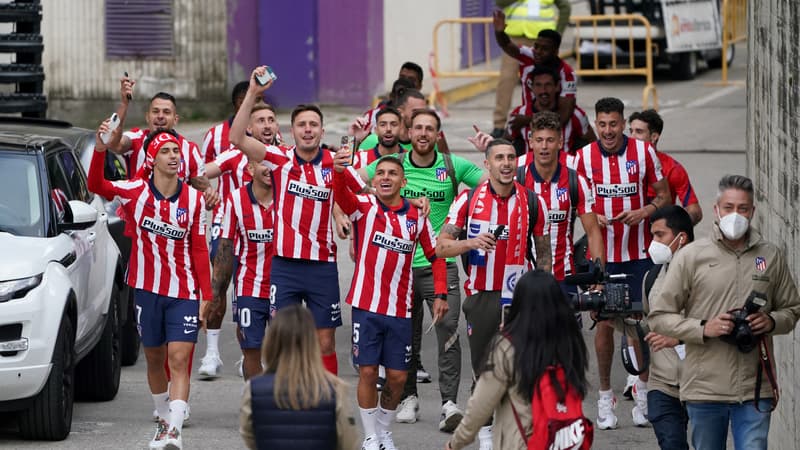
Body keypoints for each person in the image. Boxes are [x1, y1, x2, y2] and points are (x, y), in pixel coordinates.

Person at [230, 66, 366, 376]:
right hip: (286, 266)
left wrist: (412, 201)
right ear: (291, 131)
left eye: (313, 125)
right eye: (301, 125)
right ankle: (283, 402)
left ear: (322, 130)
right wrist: (253, 92)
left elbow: (370, 196)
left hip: (321, 267)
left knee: (325, 342)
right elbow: (236, 138)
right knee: (283, 341)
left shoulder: (336, 162)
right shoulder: (279, 158)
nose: (308, 130)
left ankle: (326, 403)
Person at [649, 175, 800, 450]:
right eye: (729, 207)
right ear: (716, 209)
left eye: (743, 208)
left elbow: (792, 309)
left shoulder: (770, 256)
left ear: (753, 211)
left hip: (755, 388)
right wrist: (703, 328)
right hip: (705, 389)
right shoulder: (691, 256)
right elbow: (660, 316)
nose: (736, 215)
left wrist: (770, 321)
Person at [88, 124, 212, 450]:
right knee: (155, 358)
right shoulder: (135, 191)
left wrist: (206, 296)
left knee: (179, 359)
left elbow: (199, 249)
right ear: (152, 159)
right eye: (166, 152)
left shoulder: (195, 200)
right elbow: (95, 184)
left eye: (176, 151)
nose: (173, 156)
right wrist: (101, 149)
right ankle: (162, 418)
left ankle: (175, 431)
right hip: (145, 289)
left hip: (183, 292)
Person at [361, 109, 485, 431]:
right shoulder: (392, 165)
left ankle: (448, 404)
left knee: (448, 332)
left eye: (430, 128)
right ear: (408, 131)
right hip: (398, 267)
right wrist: (346, 217)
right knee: (406, 336)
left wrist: (459, 223)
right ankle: (408, 398)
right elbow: (354, 186)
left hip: (438, 262)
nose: (423, 133)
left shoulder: (451, 165)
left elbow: (491, 184)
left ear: (437, 134)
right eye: (418, 128)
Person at [436, 138, 551, 448]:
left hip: (521, 298)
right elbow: (441, 246)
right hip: (483, 295)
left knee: (523, 369)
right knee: (485, 370)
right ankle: (487, 437)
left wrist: (544, 291)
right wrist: (471, 243)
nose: (506, 163)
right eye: (499, 157)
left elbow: (542, 251)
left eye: (511, 157)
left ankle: (520, 433)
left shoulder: (531, 200)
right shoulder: (468, 200)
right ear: (486, 164)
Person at [333, 154, 448, 450]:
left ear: (403, 181)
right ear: (373, 180)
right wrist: (337, 168)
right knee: (369, 372)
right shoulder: (364, 208)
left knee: (397, 378)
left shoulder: (417, 215)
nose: (385, 177)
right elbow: (340, 192)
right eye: (380, 172)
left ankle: (384, 431)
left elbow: (435, 256)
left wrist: (440, 294)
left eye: (392, 173)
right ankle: (371, 436)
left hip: (400, 309)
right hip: (366, 306)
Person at [571, 97, 670, 430]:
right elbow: (574, 202)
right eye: (602, 124)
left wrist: (644, 212)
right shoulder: (582, 158)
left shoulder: (643, 153)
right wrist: (591, 216)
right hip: (604, 256)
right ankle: (604, 397)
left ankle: (642, 392)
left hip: (640, 254)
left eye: (614, 124)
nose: (608, 130)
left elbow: (663, 196)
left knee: (640, 324)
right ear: (596, 124)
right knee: (603, 325)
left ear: (623, 123)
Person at [445, 270, 589, 450]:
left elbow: (480, 405)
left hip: (521, 442)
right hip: (564, 440)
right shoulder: (570, 341)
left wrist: (454, 443)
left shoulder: (508, 346)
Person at [200, 101, 283, 379]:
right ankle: (213, 352)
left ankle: (262, 362)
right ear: (248, 127)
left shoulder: (285, 156)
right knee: (222, 285)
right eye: (261, 120)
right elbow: (199, 173)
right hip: (231, 229)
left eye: (272, 120)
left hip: (271, 234)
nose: (268, 125)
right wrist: (208, 191)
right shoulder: (234, 153)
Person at [239, 305, 358, 450]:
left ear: (272, 341)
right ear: (312, 342)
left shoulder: (253, 390)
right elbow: (348, 443)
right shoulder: (334, 389)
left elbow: (250, 437)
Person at [517, 112, 604, 308]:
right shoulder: (517, 178)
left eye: (550, 140)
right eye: (539, 140)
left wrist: (599, 276)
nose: (544, 146)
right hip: (522, 278)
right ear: (530, 142)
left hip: (564, 278)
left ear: (560, 142)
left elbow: (593, 232)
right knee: (528, 338)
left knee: (565, 338)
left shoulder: (575, 181)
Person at [209, 158, 274, 381]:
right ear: (250, 168)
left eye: (274, 163)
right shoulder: (235, 199)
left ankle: (280, 405)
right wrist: (215, 294)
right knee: (251, 350)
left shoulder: (288, 195)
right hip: (249, 286)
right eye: (263, 163)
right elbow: (225, 248)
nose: (269, 169)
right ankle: (257, 404)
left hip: (284, 288)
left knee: (284, 354)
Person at [491, 3, 572, 138]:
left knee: (547, 82)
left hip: (541, 39)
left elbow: (565, 7)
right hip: (514, 36)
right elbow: (500, 2)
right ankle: (499, 125)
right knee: (506, 79)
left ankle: (549, 121)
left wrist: (557, 33)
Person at [628, 109, 703, 225]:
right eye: (631, 131)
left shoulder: (673, 169)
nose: (632, 137)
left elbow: (694, 211)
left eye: (639, 132)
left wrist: (676, 228)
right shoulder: (616, 163)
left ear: (654, 137)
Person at [510, 67, 595, 157]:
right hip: (529, 170)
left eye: (548, 85)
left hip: (565, 169)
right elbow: (503, 144)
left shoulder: (576, 115)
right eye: (538, 85)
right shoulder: (519, 114)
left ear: (557, 86)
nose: (543, 90)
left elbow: (594, 146)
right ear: (532, 87)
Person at [201, 80, 251, 164]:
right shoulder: (214, 135)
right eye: (242, 103)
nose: (249, 107)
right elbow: (201, 172)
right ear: (234, 104)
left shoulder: (269, 132)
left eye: (255, 101)